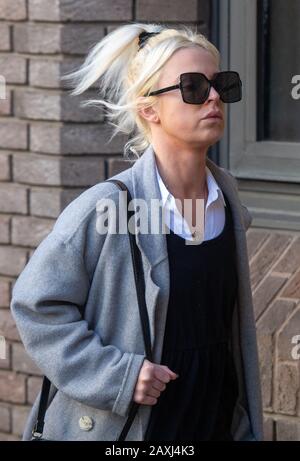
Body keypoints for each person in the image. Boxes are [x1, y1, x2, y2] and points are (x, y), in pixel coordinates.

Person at [10, 22, 264, 441]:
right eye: (194, 87)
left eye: (221, 84)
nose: (214, 96)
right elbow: (36, 306)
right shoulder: (106, 207)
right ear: (149, 109)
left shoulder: (227, 201)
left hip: (213, 420)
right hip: (131, 430)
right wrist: (120, 377)